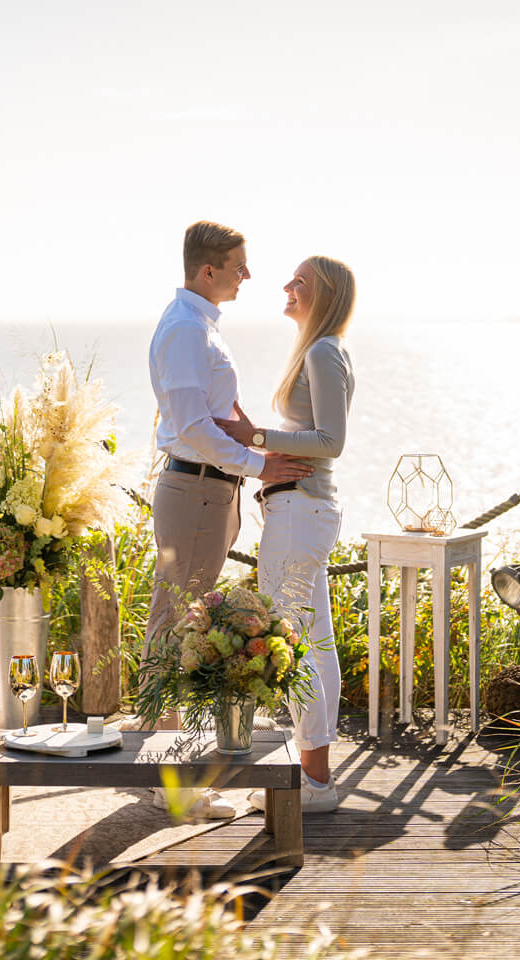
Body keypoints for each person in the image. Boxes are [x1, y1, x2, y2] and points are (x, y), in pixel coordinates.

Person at [145, 221, 313, 819]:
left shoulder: (199, 325)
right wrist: (261, 465)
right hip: (196, 490)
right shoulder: (187, 329)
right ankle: (172, 783)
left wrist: (258, 446)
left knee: (179, 626)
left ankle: (166, 769)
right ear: (208, 269)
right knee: (175, 631)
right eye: (239, 265)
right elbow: (194, 428)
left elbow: (220, 415)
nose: (248, 275)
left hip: (208, 491)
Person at [214, 255, 356, 814]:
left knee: (292, 642)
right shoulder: (320, 349)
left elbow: (331, 441)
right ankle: (315, 778)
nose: (287, 286)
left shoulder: (322, 351)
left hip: (300, 512)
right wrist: (263, 442)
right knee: (314, 643)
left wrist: (256, 436)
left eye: (301, 281)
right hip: (302, 510)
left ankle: (314, 784)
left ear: (326, 294)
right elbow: (315, 435)